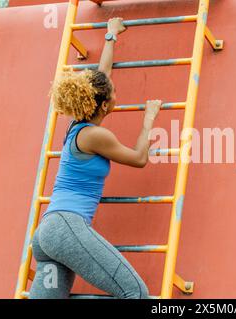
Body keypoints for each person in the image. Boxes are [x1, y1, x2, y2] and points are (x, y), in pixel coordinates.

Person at [29, 17, 160, 299]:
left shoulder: (78, 123)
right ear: (103, 104)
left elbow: (102, 77)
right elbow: (139, 158)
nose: (116, 93)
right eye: (113, 94)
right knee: (135, 292)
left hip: (47, 235)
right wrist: (149, 118)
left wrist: (110, 36)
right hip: (66, 228)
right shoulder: (95, 136)